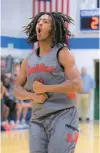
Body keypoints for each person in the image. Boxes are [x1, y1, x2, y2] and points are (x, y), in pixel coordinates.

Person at [14, 12, 83, 153]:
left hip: (63, 115)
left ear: (54, 29)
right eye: (39, 21)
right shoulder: (28, 60)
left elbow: (77, 84)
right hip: (37, 118)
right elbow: (16, 89)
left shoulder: (63, 53)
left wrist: (45, 88)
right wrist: (32, 96)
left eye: (45, 22)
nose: (40, 23)